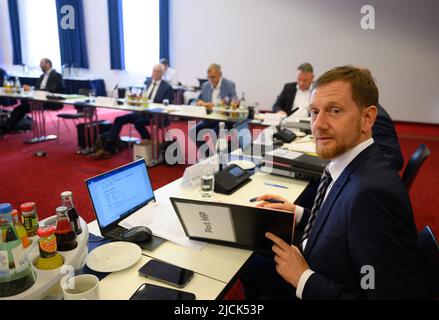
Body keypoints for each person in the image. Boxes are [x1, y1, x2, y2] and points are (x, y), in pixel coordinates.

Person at [241, 65, 418, 300]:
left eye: (334, 111)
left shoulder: (372, 195)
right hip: (320, 261)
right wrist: (300, 213)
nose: (319, 124)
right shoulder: (350, 164)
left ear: (367, 118)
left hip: (317, 283)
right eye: (314, 112)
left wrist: (303, 278)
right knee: (253, 260)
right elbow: (345, 222)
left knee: (251, 267)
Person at [93, 64, 173, 160]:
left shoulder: (167, 87)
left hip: (156, 115)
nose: (154, 73)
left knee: (138, 123)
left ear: (162, 73)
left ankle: (149, 142)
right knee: (119, 119)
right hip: (141, 112)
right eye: (153, 70)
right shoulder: (146, 82)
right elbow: (140, 97)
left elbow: (167, 104)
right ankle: (108, 148)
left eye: (157, 71)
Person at [0, 58, 65, 137]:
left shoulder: (57, 76)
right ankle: (5, 128)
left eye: (42, 64)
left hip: (50, 101)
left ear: (48, 64)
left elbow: (51, 90)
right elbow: (37, 88)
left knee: (21, 109)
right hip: (39, 100)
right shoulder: (42, 76)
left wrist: (33, 89)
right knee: (19, 109)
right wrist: (31, 88)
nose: (40, 66)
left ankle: (5, 129)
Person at [190, 63, 237, 153]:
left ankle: (219, 159)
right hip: (208, 119)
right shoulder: (206, 85)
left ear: (220, 74)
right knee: (193, 131)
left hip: (224, 120)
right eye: (209, 77)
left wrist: (217, 106)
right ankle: (207, 154)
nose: (211, 80)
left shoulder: (229, 85)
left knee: (214, 133)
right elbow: (196, 100)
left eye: (213, 77)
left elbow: (234, 103)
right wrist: (200, 102)